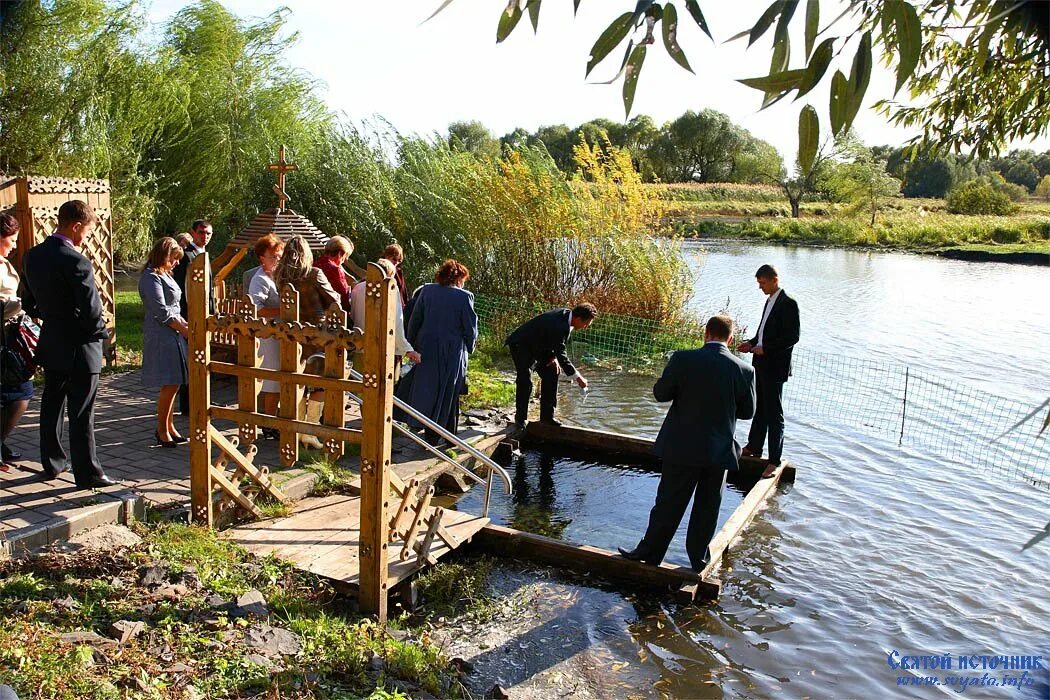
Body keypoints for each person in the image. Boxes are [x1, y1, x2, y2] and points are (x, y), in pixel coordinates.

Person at [619, 315, 756, 571]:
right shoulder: (745, 370)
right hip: (718, 452)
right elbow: (748, 412)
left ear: (706, 333)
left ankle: (649, 554)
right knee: (707, 507)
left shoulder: (683, 359)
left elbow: (661, 394)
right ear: (730, 339)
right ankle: (698, 561)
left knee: (668, 502)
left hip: (681, 446)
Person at [21, 200, 115, 488]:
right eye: (86, 230)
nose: (86, 236)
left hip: (52, 341)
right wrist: (99, 334)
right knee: (81, 411)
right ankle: (89, 475)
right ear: (75, 226)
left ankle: (52, 464)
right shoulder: (76, 260)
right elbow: (92, 311)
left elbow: (29, 303)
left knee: (51, 405)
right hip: (80, 346)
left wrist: (53, 317)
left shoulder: (33, 256)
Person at [397, 259, 477, 441]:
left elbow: (415, 319)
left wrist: (411, 345)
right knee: (448, 390)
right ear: (459, 279)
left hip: (426, 347)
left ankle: (421, 424)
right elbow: (470, 328)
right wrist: (470, 347)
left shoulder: (427, 290)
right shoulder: (465, 297)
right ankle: (444, 434)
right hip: (452, 351)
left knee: (426, 388)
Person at [274, 235, 341, 449]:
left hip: (291, 334)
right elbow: (334, 300)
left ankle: (298, 429)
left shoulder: (280, 275)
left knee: (298, 381)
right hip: (316, 333)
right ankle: (309, 431)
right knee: (320, 382)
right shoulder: (313, 274)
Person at [736, 264, 800, 478]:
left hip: (774, 366)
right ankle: (754, 447)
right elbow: (763, 334)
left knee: (774, 414)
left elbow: (792, 337)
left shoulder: (789, 303)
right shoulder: (769, 301)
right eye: (759, 283)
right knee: (760, 408)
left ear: (774, 279)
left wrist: (766, 348)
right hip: (760, 363)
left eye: (762, 283)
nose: (760, 287)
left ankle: (774, 460)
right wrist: (751, 343)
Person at [505, 303, 596, 430]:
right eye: (586, 324)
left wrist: (552, 357)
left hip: (539, 346)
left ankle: (547, 418)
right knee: (525, 381)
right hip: (521, 345)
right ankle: (520, 420)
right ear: (578, 318)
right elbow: (562, 356)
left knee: (552, 371)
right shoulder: (560, 325)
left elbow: (552, 340)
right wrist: (578, 377)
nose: (585, 327)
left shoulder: (566, 317)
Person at [138, 237, 189, 447]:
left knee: (174, 382)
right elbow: (162, 311)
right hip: (162, 336)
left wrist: (184, 325)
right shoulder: (151, 278)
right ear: (164, 256)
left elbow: (174, 307)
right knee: (169, 383)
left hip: (174, 335)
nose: (176, 263)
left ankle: (170, 425)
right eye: (174, 259)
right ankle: (161, 429)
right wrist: (185, 329)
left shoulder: (164, 274)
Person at [0, 213, 32, 472]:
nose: (14, 244)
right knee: (19, 393)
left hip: (11, 336)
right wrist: (22, 305)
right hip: (3, 337)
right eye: (11, 239)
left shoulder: (4, 262)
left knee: (17, 391)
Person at [172, 219, 213, 416]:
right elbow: (183, 290)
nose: (204, 236)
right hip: (191, 316)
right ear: (193, 233)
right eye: (201, 232)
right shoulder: (187, 256)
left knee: (200, 359)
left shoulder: (203, 254)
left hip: (204, 315)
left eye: (208, 234)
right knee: (191, 360)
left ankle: (197, 399)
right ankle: (188, 404)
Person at [246, 234, 284, 440]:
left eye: (279, 256)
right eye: (273, 257)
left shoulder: (277, 276)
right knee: (272, 381)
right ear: (262, 257)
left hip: (280, 335)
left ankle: (275, 418)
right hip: (268, 337)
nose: (277, 260)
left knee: (280, 378)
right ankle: (268, 422)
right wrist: (282, 309)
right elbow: (256, 309)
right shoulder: (259, 279)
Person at [350, 258, 420, 365]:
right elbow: (396, 322)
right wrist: (406, 349)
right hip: (381, 349)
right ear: (389, 274)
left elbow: (354, 317)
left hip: (359, 346)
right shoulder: (390, 289)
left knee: (359, 380)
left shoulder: (357, 288)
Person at [314, 235, 354, 314]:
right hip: (332, 315)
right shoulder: (335, 270)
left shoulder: (314, 265)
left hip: (314, 312)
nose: (343, 261)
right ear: (340, 254)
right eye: (345, 257)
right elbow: (344, 298)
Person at [380, 243, 408, 308]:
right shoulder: (377, 270)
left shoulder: (399, 272)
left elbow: (403, 294)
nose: (396, 263)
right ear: (387, 256)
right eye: (394, 259)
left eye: (399, 261)